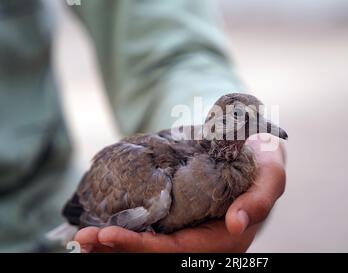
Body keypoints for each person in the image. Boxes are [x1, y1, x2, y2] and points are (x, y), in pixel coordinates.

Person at [0, 0, 286, 252]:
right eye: (243, 119)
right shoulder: (158, 184)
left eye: (257, 120)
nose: (262, 127)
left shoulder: (238, 165)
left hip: (33, 218)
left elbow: (168, 54)